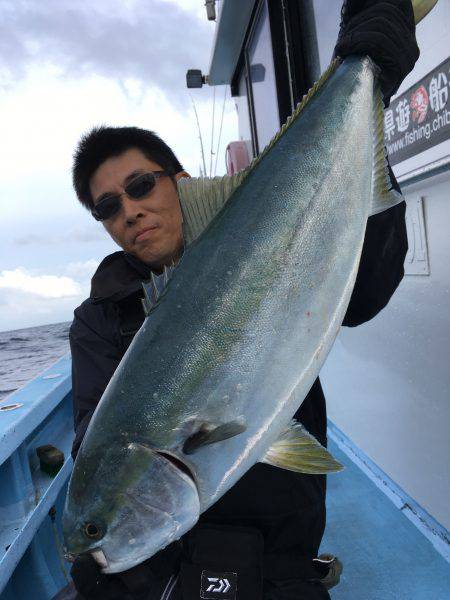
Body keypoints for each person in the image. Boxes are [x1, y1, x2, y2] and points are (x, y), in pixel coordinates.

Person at [66, 1, 419, 598]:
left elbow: (361, 298)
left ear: (180, 183)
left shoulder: (265, 229)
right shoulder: (100, 318)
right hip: (171, 569)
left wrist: (369, 85)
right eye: (107, 208)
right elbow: (96, 442)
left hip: (283, 552)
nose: (129, 211)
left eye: (140, 186)